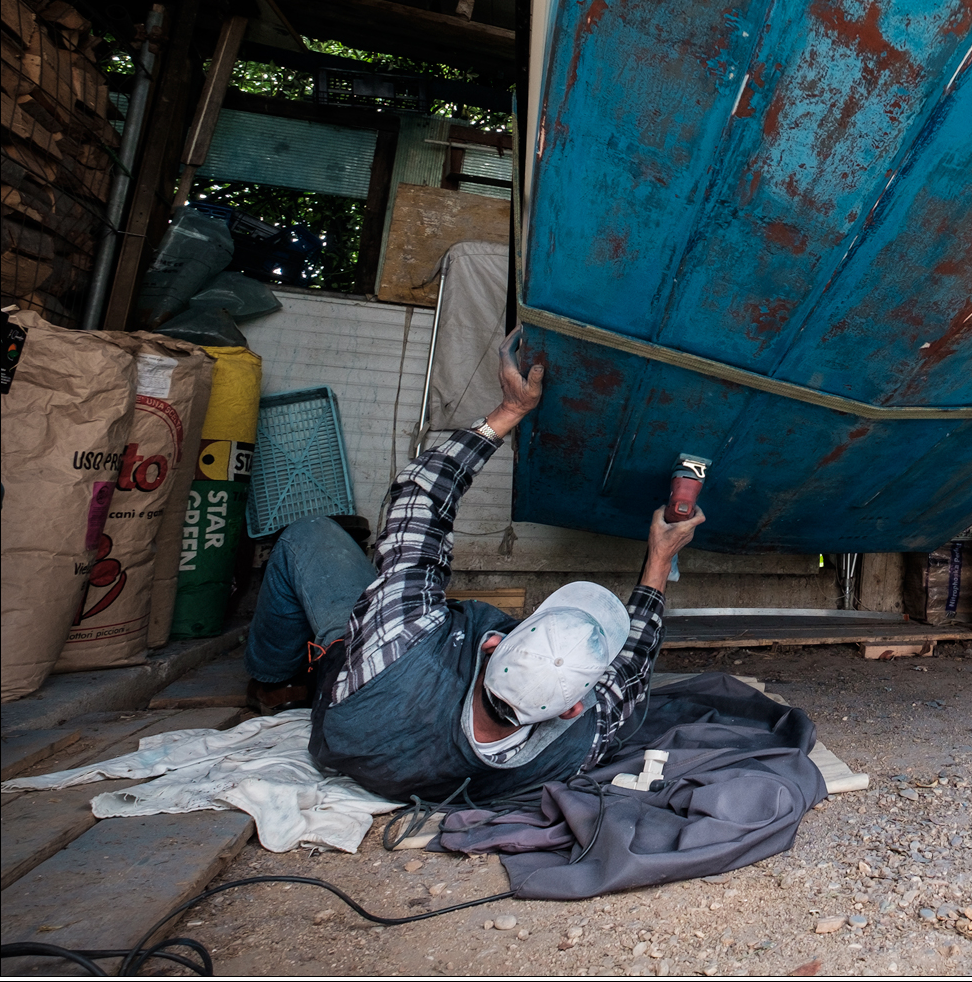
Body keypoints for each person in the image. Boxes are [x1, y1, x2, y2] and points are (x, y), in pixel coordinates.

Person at [242, 326, 699, 802]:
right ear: (573, 708)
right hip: (381, 744)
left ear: (492, 645)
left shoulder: (399, 642)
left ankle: (274, 682)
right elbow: (635, 667)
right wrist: (661, 557)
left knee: (309, 533)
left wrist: (511, 410)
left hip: (352, 687)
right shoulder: (575, 748)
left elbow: (420, 496)